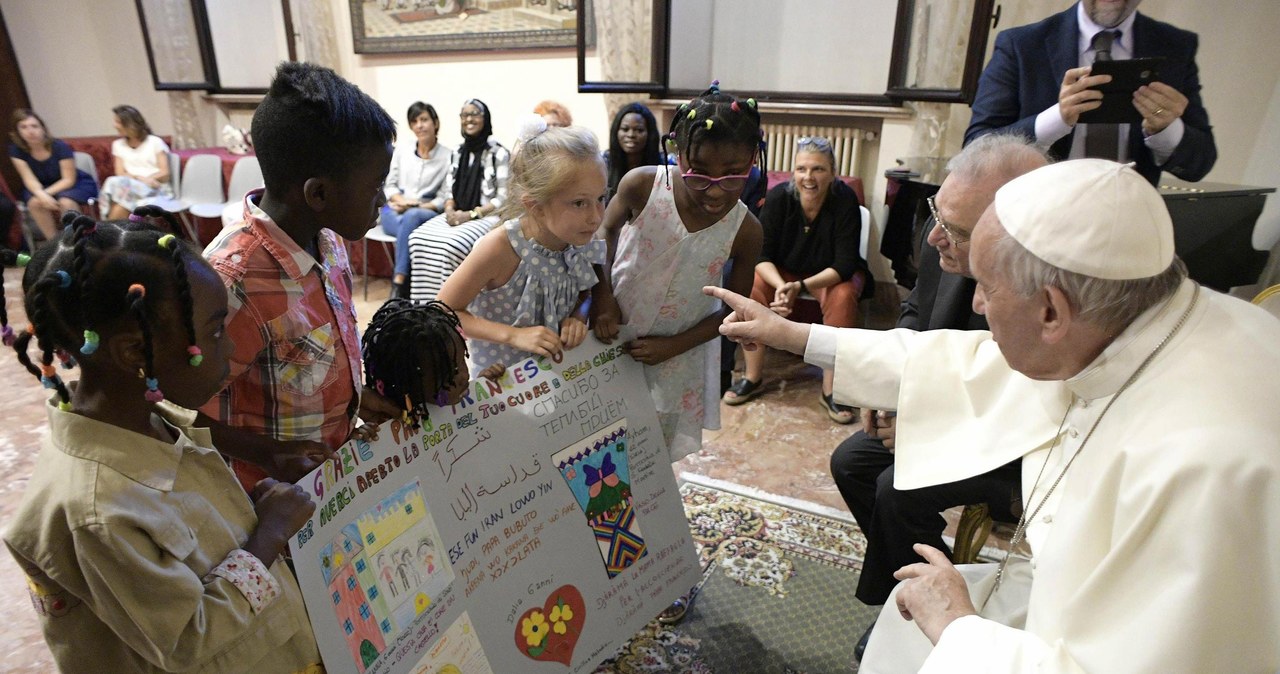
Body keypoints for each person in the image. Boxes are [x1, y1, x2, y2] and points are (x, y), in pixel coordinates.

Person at [710, 158, 1280, 672]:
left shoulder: (1201, 466)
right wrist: (796, 335)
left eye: (985, 288)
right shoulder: (1131, 320)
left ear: (1051, 310)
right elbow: (964, 359)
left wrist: (959, 631)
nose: (976, 305)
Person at [4, 214, 323, 672]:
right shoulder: (96, 512)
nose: (230, 350)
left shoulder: (152, 420)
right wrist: (268, 535)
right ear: (134, 352)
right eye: (215, 331)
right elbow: (187, 641)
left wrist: (262, 469)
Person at [827, 134, 1049, 661]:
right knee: (852, 462)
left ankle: (903, 606)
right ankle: (934, 577)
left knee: (896, 489)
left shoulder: (1040, 283)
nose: (933, 238)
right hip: (943, 412)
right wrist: (887, 395)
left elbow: (1023, 401)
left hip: (1013, 448)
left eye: (954, 229)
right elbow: (913, 315)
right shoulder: (945, 235)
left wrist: (926, 423)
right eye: (936, 215)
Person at [199, 62, 400, 493]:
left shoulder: (327, 241)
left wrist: (354, 398)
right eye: (375, 186)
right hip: (268, 496)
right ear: (319, 194)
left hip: (330, 482)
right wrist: (266, 452)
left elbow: (311, 358)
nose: (383, 200)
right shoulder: (230, 281)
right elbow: (173, 410)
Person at [594, 82, 764, 465]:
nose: (715, 191)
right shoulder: (642, 185)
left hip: (675, 356)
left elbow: (734, 311)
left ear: (754, 158)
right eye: (698, 172)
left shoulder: (747, 230)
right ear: (677, 153)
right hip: (611, 332)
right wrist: (602, 296)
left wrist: (675, 345)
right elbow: (602, 234)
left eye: (733, 174)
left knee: (651, 451)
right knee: (600, 440)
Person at [965, 0, 1215, 186]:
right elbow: (975, 148)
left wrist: (1166, 129)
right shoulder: (1022, 44)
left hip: (1129, 225)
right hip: (1038, 217)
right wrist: (1057, 118)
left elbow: (1199, 163)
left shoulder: (1176, 46)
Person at [437, 124, 606, 378]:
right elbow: (443, 310)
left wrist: (578, 315)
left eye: (601, 198)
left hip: (560, 383)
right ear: (536, 206)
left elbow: (584, 290)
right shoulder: (500, 247)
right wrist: (514, 335)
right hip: (503, 387)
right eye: (580, 203)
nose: (595, 217)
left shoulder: (581, 236)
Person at [722, 136, 871, 424]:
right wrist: (781, 287)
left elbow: (845, 265)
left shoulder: (844, 199)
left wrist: (799, 288)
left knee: (843, 295)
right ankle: (752, 377)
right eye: (802, 169)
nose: (809, 177)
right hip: (783, 273)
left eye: (818, 169)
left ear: (833, 172)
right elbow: (760, 254)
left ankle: (831, 389)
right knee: (751, 286)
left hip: (828, 276)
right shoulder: (779, 197)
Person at [407, 99, 510, 301]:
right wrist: (449, 209)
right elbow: (449, 190)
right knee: (417, 239)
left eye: (475, 114)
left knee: (452, 244)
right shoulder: (457, 152)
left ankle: (450, 304)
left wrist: (472, 214)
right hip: (457, 214)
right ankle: (423, 305)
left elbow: (503, 199)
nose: (469, 119)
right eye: (465, 115)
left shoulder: (499, 153)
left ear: (485, 119)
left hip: (487, 216)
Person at [362, 298, 472, 430]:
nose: (464, 376)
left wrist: (493, 386)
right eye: (449, 372)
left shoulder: (464, 395)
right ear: (408, 382)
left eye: (462, 361)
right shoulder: (385, 426)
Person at [382, 101, 452, 297]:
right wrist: (401, 201)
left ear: (435, 123)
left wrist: (415, 205)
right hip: (393, 210)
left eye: (424, 120)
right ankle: (405, 285)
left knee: (412, 217)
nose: (419, 125)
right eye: (414, 121)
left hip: (425, 211)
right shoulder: (402, 151)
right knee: (404, 221)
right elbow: (390, 185)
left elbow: (444, 196)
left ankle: (399, 282)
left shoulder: (448, 156)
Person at [8, 109, 98, 240]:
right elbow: (29, 179)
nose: (30, 131)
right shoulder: (15, 150)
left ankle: (76, 241)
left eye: (34, 126)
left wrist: (46, 194)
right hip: (41, 185)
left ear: (43, 128)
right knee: (34, 203)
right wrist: (41, 195)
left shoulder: (60, 146)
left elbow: (68, 179)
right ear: (18, 131)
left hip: (72, 183)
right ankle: (54, 243)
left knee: (66, 202)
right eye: (24, 127)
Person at [99, 105, 174, 220]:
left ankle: (105, 231)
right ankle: (113, 233)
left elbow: (165, 172)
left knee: (116, 192)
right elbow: (120, 173)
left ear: (131, 124)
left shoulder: (155, 142)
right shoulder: (118, 145)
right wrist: (140, 178)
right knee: (117, 192)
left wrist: (147, 180)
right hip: (127, 188)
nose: (115, 126)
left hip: (154, 187)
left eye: (118, 122)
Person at [603, 103, 663, 203]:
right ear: (616, 131)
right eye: (625, 129)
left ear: (650, 133)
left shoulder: (665, 164)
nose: (631, 135)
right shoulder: (603, 162)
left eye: (639, 130)